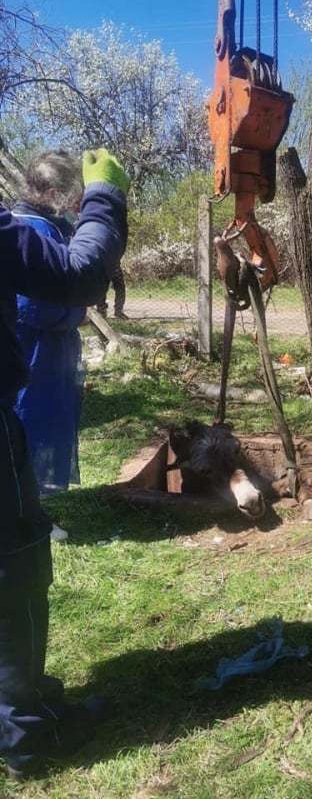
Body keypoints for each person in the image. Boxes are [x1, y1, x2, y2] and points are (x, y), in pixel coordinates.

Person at [0, 147, 129, 781]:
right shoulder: (19, 230)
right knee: (15, 568)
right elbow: (73, 283)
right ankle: (29, 735)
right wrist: (105, 199)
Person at [13, 151, 87, 542]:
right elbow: (32, 306)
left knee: (39, 428)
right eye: (74, 192)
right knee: (30, 428)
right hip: (34, 354)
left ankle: (29, 508)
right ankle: (26, 517)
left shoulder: (44, 226)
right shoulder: (33, 231)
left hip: (47, 350)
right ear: (55, 191)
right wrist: (77, 316)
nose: (77, 202)